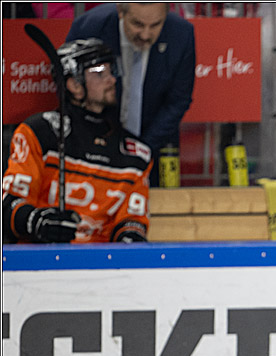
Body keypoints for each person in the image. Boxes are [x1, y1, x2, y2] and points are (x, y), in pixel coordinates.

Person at [3, 39, 151, 244]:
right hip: (39, 261)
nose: (111, 80)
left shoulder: (136, 154)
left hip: (103, 267)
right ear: (74, 85)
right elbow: (8, 202)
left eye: (110, 71)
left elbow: (131, 220)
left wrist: (130, 237)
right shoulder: (39, 133)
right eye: (100, 73)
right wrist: (38, 221)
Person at [66, 2, 195, 157]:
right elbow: (71, 92)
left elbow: (178, 101)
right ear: (121, 11)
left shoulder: (182, 34)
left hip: (155, 146)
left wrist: (143, 150)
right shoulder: (89, 28)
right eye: (137, 24)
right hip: (94, 146)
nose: (145, 34)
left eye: (155, 25)